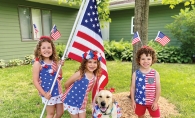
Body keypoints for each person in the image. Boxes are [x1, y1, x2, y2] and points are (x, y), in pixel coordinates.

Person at [61, 50, 102, 118]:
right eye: (90, 62)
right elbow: (66, 84)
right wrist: (72, 94)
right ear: (85, 63)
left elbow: (89, 90)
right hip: (72, 100)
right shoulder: (80, 74)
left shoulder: (94, 77)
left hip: (82, 102)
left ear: (98, 64)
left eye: (95, 62)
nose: (92, 65)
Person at [32, 36, 64, 118]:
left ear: (52, 49)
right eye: (43, 48)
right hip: (48, 92)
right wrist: (44, 94)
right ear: (39, 50)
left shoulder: (54, 62)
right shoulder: (38, 64)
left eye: (49, 47)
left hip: (58, 91)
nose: (47, 50)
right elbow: (35, 81)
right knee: (50, 114)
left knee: (60, 112)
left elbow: (60, 75)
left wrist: (60, 66)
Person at [130, 46, 161, 118]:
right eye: (143, 59)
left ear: (152, 60)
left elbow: (158, 88)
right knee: (140, 116)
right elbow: (132, 88)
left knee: (156, 116)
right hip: (139, 102)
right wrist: (133, 101)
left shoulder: (155, 73)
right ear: (139, 60)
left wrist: (156, 101)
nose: (146, 61)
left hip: (152, 102)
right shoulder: (135, 74)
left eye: (148, 59)